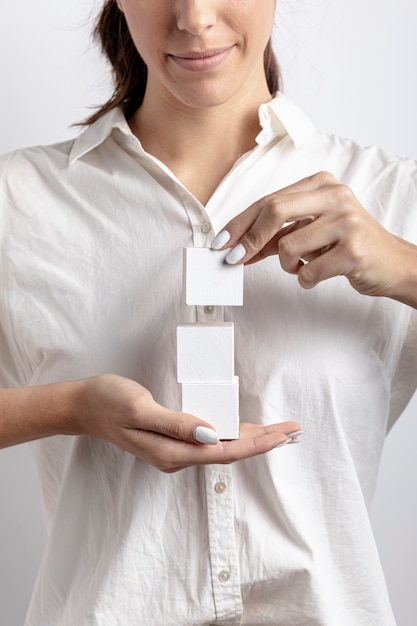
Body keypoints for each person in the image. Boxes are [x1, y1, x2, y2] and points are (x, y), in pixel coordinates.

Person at [1, 1, 417, 624]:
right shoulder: (18, 201)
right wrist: (73, 407)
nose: (194, 18)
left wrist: (406, 266)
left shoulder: (391, 196)